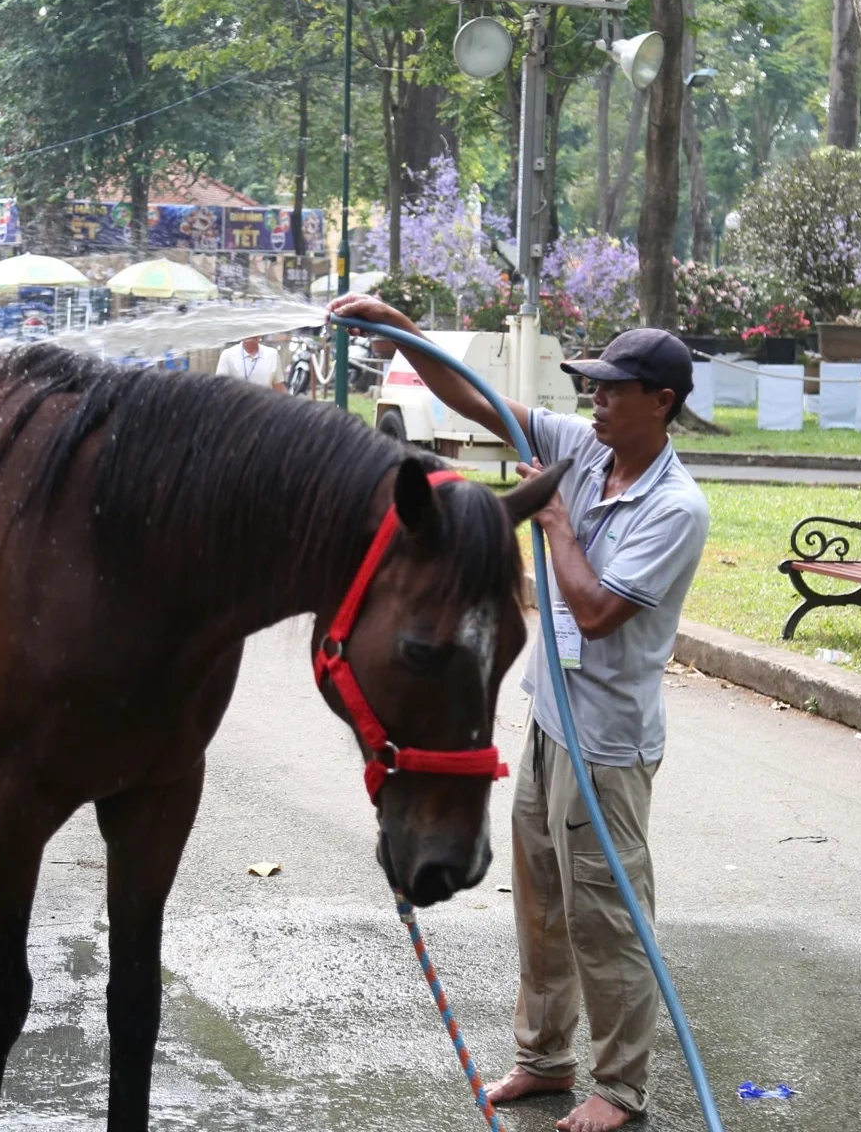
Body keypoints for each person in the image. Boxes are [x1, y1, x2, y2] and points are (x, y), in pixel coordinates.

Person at [328, 294, 709, 1132]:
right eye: (593, 387)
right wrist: (402, 327)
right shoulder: (581, 447)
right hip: (548, 719)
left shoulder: (677, 507)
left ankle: (619, 1087)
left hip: (606, 744)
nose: (595, 400)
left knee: (604, 912)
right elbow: (475, 399)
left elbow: (601, 609)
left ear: (662, 404)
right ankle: (545, 1059)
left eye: (614, 389)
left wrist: (557, 522)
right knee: (539, 905)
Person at [215, 333, 285, 391]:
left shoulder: (272, 354)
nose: (252, 334)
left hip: (264, 405)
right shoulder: (228, 355)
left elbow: (279, 388)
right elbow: (220, 387)